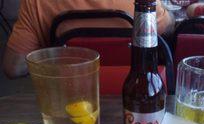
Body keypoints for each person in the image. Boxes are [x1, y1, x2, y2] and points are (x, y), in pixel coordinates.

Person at [3, 0, 174, 79]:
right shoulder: (145, 2)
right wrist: (164, 9)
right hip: (136, 101)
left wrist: (53, 51)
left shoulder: (35, 3)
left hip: (68, 103)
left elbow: (14, 67)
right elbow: (168, 27)